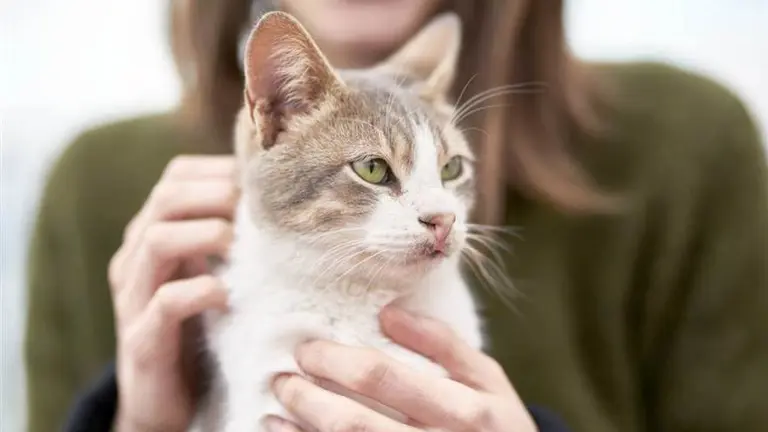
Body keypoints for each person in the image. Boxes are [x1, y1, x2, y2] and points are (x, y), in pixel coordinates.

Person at [24, 0, 768, 431]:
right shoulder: (97, 184)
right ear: (274, 112)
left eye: (451, 172)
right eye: (376, 170)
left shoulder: (688, 142)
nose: (441, 216)